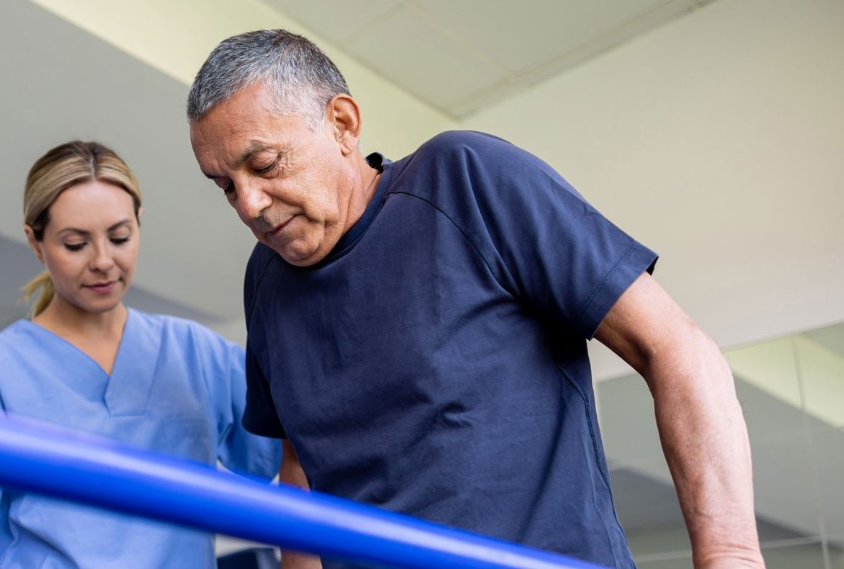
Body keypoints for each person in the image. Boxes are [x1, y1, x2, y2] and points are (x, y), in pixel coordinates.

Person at [185, 29, 764, 569]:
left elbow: (675, 348)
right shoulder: (265, 280)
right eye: (225, 186)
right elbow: (302, 473)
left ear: (341, 123)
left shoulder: (463, 180)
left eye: (264, 165)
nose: (249, 205)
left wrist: (731, 556)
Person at [0, 141, 281, 568]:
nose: (102, 261)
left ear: (138, 224)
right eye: (75, 244)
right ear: (36, 243)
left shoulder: (195, 353)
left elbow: (296, 454)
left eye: (119, 237)